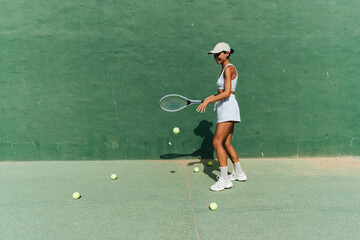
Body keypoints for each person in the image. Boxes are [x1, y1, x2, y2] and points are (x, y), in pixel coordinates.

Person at [196, 42, 247, 191]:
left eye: (219, 54)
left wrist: (209, 101)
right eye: (215, 55)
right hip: (227, 107)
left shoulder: (229, 68)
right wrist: (209, 98)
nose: (216, 57)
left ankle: (224, 179)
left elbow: (226, 93)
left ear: (227, 53)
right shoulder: (225, 68)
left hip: (228, 108)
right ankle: (239, 172)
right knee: (226, 143)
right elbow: (222, 93)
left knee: (217, 142)